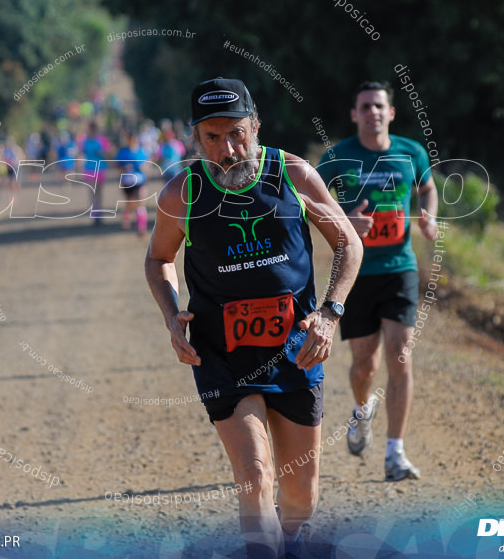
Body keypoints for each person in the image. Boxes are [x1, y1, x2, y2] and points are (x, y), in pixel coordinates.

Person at [145, 78, 362, 559]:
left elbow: (349, 243)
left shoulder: (295, 175)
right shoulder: (183, 191)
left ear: (256, 127)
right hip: (221, 354)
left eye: (237, 133)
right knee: (256, 477)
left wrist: (329, 314)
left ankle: (292, 539)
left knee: (300, 496)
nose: (228, 149)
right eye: (213, 138)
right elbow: (158, 259)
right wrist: (170, 314)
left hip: (295, 351)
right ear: (196, 139)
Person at [316, 81, 439, 482]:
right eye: (365, 106)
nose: (373, 112)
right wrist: (345, 223)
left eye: (379, 106)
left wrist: (429, 216)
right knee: (363, 364)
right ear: (354, 114)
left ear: (391, 112)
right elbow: (311, 203)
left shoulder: (412, 152)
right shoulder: (337, 157)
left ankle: (395, 453)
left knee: (400, 355)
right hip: (356, 272)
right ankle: (361, 411)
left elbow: (427, 188)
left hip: (399, 267)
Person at [115, 131, 149, 236]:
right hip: (127, 181)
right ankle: (127, 218)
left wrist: (144, 168)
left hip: (140, 181)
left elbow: (148, 164)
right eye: (129, 139)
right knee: (130, 204)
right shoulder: (123, 152)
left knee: (141, 202)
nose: (131, 141)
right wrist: (124, 168)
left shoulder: (141, 151)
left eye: (133, 139)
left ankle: (141, 228)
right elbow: (117, 165)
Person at [80, 121, 111, 225]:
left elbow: (108, 153)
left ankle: (98, 211)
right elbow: (81, 153)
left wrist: (102, 152)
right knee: (92, 192)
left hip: (100, 168)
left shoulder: (101, 140)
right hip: (89, 168)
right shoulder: (84, 141)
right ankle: (95, 214)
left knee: (99, 192)